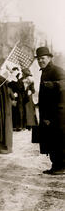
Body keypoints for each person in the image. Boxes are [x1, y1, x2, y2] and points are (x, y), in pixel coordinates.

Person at [35, 47, 65, 175]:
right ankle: (56, 165)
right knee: (51, 139)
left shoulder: (56, 70)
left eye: (43, 58)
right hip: (48, 112)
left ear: (49, 58)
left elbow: (64, 82)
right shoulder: (45, 71)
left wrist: (55, 84)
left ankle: (61, 166)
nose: (41, 60)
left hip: (58, 113)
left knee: (58, 139)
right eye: (39, 58)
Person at [8, 67, 25, 131]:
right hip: (12, 97)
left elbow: (22, 89)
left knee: (19, 111)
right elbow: (8, 88)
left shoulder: (20, 81)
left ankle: (20, 125)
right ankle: (14, 126)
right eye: (14, 71)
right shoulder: (10, 81)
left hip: (19, 98)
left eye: (16, 71)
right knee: (13, 111)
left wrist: (18, 94)